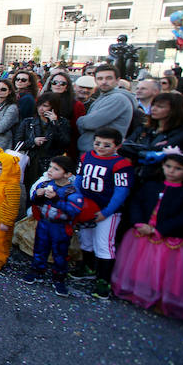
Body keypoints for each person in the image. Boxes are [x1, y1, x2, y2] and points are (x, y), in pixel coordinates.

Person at [111, 151, 183, 322]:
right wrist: (139, 223)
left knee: (165, 269)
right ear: (162, 166)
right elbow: (136, 203)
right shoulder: (150, 186)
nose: (171, 171)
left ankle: (163, 298)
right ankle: (139, 292)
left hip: (166, 237)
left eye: (178, 168)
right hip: (142, 233)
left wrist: (160, 229)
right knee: (140, 266)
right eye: (168, 166)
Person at [73, 127, 135, 299]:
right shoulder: (86, 156)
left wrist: (107, 212)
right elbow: (79, 179)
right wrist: (77, 200)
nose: (100, 147)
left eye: (106, 145)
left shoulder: (121, 164)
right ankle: (88, 267)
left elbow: (121, 191)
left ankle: (103, 280)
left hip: (106, 211)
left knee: (104, 245)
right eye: (97, 143)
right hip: (86, 207)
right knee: (86, 240)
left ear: (117, 146)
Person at [23, 156, 83, 297]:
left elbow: (74, 210)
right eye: (50, 167)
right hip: (44, 223)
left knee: (60, 253)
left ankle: (59, 278)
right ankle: (37, 270)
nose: (50, 170)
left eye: (55, 169)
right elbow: (34, 201)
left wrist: (56, 199)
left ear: (68, 174)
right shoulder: (45, 184)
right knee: (39, 247)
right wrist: (37, 196)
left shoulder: (72, 191)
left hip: (61, 227)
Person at [126, 92, 183, 182]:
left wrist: (139, 150)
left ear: (175, 110)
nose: (153, 109)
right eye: (153, 105)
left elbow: (161, 151)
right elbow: (125, 146)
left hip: (159, 178)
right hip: (135, 173)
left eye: (160, 107)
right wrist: (145, 151)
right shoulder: (145, 127)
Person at [15, 92, 70, 189]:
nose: (41, 108)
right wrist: (33, 142)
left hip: (51, 163)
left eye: (45, 106)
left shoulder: (62, 122)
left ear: (53, 108)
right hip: (31, 162)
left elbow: (64, 142)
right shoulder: (28, 122)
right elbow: (18, 143)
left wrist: (55, 123)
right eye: (39, 105)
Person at [76, 65, 135, 155]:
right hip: (92, 151)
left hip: (103, 154)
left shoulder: (118, 98)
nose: (104, 82)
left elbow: (90, 123)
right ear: (95, 80)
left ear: (117, 80)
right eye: (100, 78)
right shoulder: (104, 97)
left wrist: (80, 120)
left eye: (109, 78)